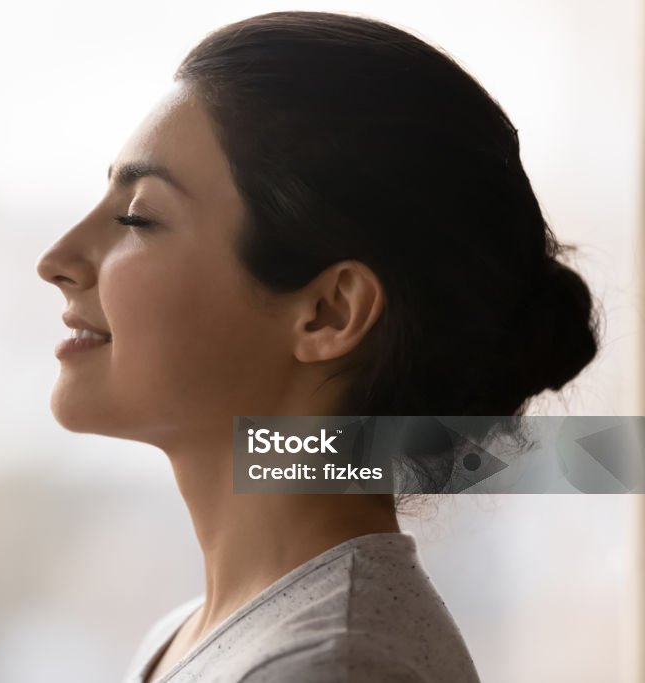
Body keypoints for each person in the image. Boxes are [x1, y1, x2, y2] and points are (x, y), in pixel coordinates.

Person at [35, 10, 599, 683]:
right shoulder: (195, 636)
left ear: (329, 312)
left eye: (138, 217)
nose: (57, 259)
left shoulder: (333, 666)